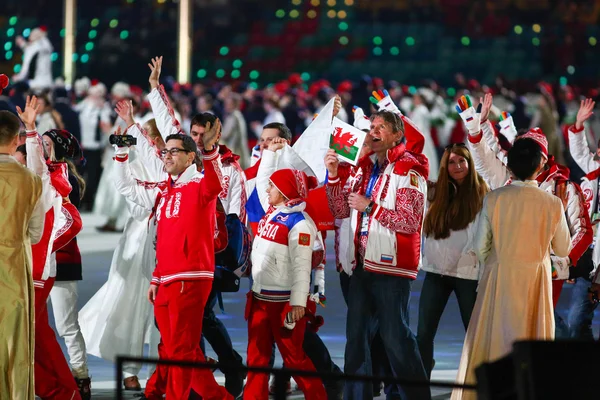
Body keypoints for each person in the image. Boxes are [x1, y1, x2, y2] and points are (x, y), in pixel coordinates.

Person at [113, 117, 232, 399]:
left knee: (179, 350)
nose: (166, 156)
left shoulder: (201, 185)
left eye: (173, 151)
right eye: (165, 151)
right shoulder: (164, 191)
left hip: (190, 278)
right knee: (175, 348)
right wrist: (121, 154)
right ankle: (218, 397)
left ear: (191, 156)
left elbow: (216, 184)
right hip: (165, 278)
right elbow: (127, 188)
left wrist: (211, 150)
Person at [451, 137, 571, 400]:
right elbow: (563, 249)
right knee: (532, 340)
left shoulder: (495, 198)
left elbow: (482, 246)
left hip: (500, 276)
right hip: (535, 280)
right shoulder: (552, 203)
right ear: (539, 166)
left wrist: (496, 260)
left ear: (511, 166)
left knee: (496, 338)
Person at [326, 110, 431, 400]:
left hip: (391, 268)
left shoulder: (408, 170)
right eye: (371, 126)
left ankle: (417, 397)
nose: (373, 132)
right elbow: (340, 210)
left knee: (396, 339)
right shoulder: (363, 168)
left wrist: (370, 207)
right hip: (360, 265)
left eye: (381, 127)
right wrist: (334, 177)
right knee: (356, 340)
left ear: (397, 135)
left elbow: (410, 221)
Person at [18, 96, 84, 400]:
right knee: (39, 334)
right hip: (34, 266)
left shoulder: (51, 178)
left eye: (46, 144)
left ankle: (58, 387)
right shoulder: (36, 177)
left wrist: (40, 245)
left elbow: (73, 223)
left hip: (36, 268)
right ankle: (64, 390)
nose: (38, 147)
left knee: (31, 333)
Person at [244, 168, 327, 400]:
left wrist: (299, 302)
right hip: (260, 300)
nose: (268, 190)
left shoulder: (300, 223)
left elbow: (303, 266)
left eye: (272, 186)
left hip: (284, 304)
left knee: (295, 359)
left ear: (283, 191)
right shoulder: (272, 213)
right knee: (256, 359)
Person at [417, 143, 489, 380]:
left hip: (467, 275)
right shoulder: (435, 193)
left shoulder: (482, 192)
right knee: (424, 333)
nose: (457, 166)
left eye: (462, 161)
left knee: (474, 333)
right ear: (444, 166)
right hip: (436, 272)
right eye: (452, 162)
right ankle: (419, 385)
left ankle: (480, 381)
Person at [0, 109, 45, 400]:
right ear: (17, 139)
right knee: (13, 344)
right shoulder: (31, 180)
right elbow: (37, 233)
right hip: (14, 268)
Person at [13, 26, 53, 92]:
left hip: (37, 85)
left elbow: (26, 67)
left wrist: (18, 77)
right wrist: (22, 44)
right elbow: (28, 47)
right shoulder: (46, 45)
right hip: (48, 83)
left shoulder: (34, 47)